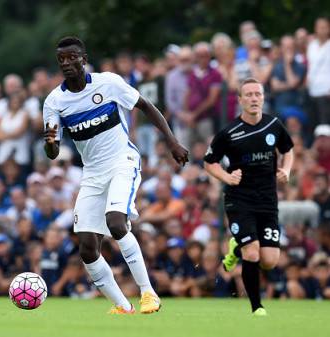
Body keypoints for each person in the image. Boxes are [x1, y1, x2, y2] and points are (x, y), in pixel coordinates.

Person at [43, 36, 188, 314]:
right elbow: (52, 151)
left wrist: (172, 142)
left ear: (83, 59)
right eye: (61, 60)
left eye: (72, 57)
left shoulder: (108, 83)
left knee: (116, 222)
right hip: (92, 174)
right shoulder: (54, 102)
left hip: (123, 161)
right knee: (86, 247)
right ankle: (123, 306)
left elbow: (146, 106)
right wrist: (50, 143)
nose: (67, 63)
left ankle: (149, 293)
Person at [204, 78, 294, 316]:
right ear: (240, 100)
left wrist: (286, 170)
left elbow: (288, 150)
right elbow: (209, 163)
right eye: (249, 95)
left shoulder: (274, 125)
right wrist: (226, 177)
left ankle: (234, 248)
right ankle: (257, 306)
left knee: (269, 261)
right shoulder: (229, 133)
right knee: (252, 252)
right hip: (239, 199)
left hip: (267, 200)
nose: (254, 98)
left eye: (258, 94)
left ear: (263, 98)